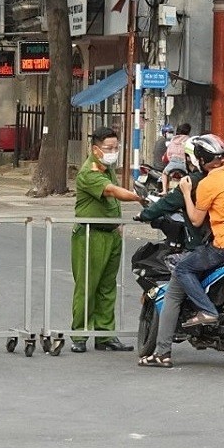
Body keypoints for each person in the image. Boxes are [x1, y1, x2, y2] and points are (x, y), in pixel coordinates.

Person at [139, 133, 224, 367]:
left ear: (200, 159)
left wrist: (186, 192)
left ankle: (190, 327)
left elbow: (196, 220)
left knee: (182, 270)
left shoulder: (206, 183)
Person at [71, 126, 144, 353]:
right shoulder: (89, 171)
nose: (113, 151)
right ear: (96, 149)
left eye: (116, 147)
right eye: (109, 148)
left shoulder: (106, 167)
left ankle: (105, 335)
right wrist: (139, 197)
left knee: (107, 287)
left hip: (110, 234)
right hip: (91, 235)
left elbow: (111, 200)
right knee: (87, 286)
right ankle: (80, 334)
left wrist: (118, 223)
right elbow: (111, 192)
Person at [161, 123, 192, 192]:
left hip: (172, 163)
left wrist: (171, 160)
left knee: (164, 174)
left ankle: (164, 191)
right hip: (184, 164)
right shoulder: (189, 140)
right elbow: (190, 154)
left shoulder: (173, 140)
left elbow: (168, 153)